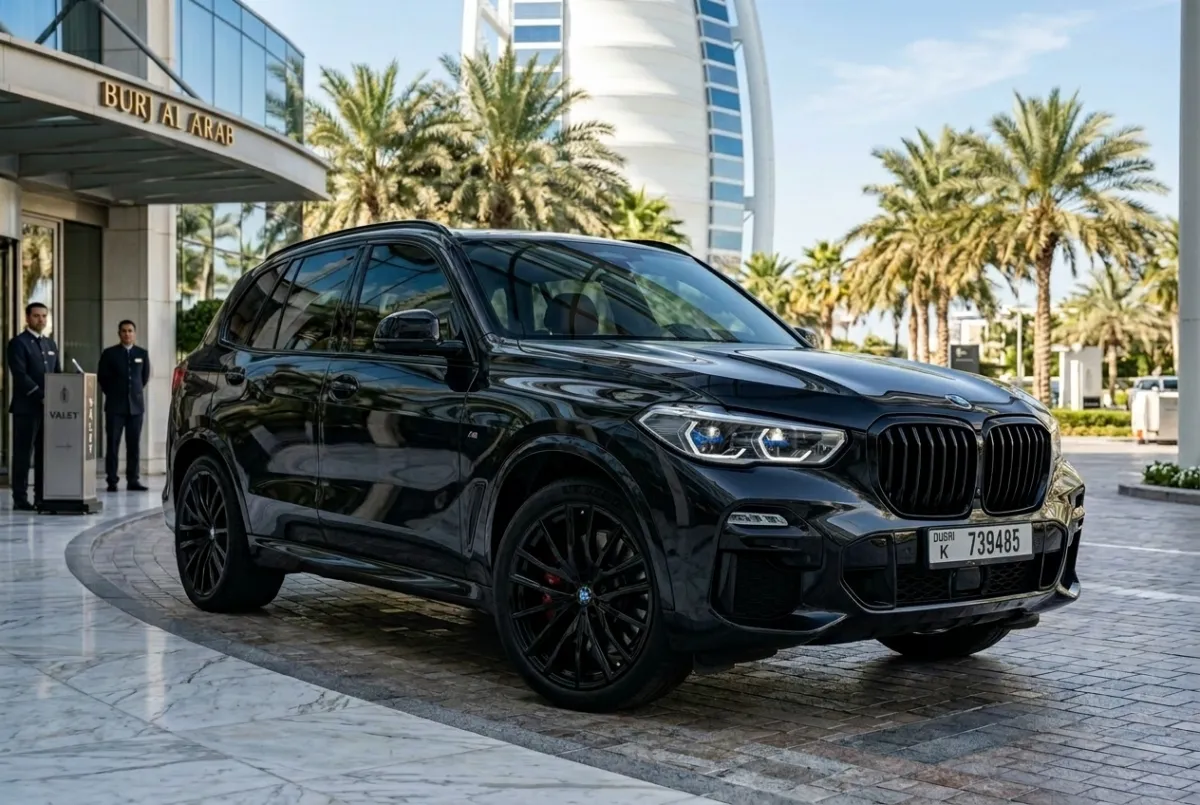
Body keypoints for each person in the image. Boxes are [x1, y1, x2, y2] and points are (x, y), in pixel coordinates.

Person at [7, 302, 60, 511]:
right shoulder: (18, 343)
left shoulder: (50, 344)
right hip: (26, 408)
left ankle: (41, 496)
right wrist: (41, 395)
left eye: (44, 316)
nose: (41, 320)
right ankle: (20, 498)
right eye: (37, 316)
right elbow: (20, 375)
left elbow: (57, 373)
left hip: (48, 409)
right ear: (28, 318)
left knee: (44, 455)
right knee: (23, 454)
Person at [97, 320, 150, 492]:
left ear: (135, 333)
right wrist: (114, 394)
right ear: (119, 334)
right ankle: (112, 480)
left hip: (135, 407)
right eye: (124, 331)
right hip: (115, 407)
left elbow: (143, 378)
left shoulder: (142, 353)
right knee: (113, 444)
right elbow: (102, 379)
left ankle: (133, 479)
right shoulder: (109, 354)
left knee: (133, 445)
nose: (127, 334)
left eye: (130, 331)